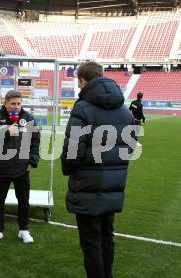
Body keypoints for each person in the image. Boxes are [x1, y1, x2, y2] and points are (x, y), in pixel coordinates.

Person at [60, 61, 135, 278]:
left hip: (87, 185)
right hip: (113, 185)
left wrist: (69, 169)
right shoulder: (124, 110)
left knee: (91, 242)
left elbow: (72, 152)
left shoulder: (82, 108)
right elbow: (129, 147)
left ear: (82, 80)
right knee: (106, 237)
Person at [0, 90, 40, 245]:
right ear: (5, 102)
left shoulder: (28, 118)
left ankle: (24, 230)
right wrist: (6, 131)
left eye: (19, 103)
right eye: (13, 104)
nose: (16, 107)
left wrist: (32, 161)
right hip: (1, 166)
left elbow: (36, 142)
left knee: (23, 200)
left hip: (22, 167)